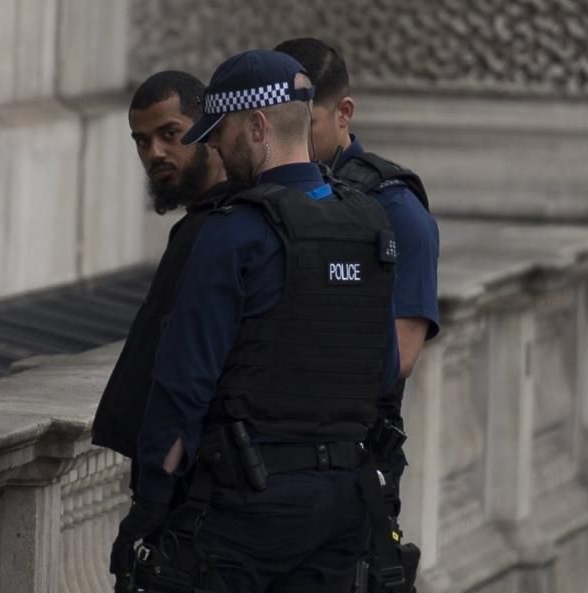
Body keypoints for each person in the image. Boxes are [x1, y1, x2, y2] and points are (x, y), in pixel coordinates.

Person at [110, 49, 400, 593]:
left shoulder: (232, 233)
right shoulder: (368, 220)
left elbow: (182, 388)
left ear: (258, 126)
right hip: (343, 509)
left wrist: (149, 506)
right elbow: (384, 371)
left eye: (221, 133)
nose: (214, 145)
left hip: (245, 511)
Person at [276, 37, 440, 528]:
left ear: (343, 113)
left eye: (305, 126)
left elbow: (399, 356)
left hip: (349, 471)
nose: (288, 143)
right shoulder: (264, 198)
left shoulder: (395, 210)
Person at [91, 71, 231, 491]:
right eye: (141, 140)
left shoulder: (223, 231)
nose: (155, 153)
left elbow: (192, 377)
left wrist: (159, 488)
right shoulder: (199, 227)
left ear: (209, 129)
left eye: (171, 134)